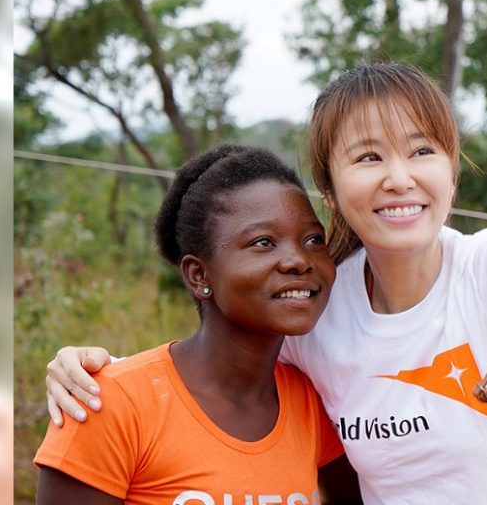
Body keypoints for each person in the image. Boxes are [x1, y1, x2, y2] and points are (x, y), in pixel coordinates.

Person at [45, 0, 487, 503]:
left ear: (451, 171)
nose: (399, 178)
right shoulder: (317, 318)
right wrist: (93, 369)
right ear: (330, 191)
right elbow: (215, 363)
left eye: (422, 151)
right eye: (367, 158)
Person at [34, 145, 343, 505]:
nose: (299, 260)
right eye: (263, 242)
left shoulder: (311, 402)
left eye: (313, 240)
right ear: (198, 275)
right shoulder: (107, 403)